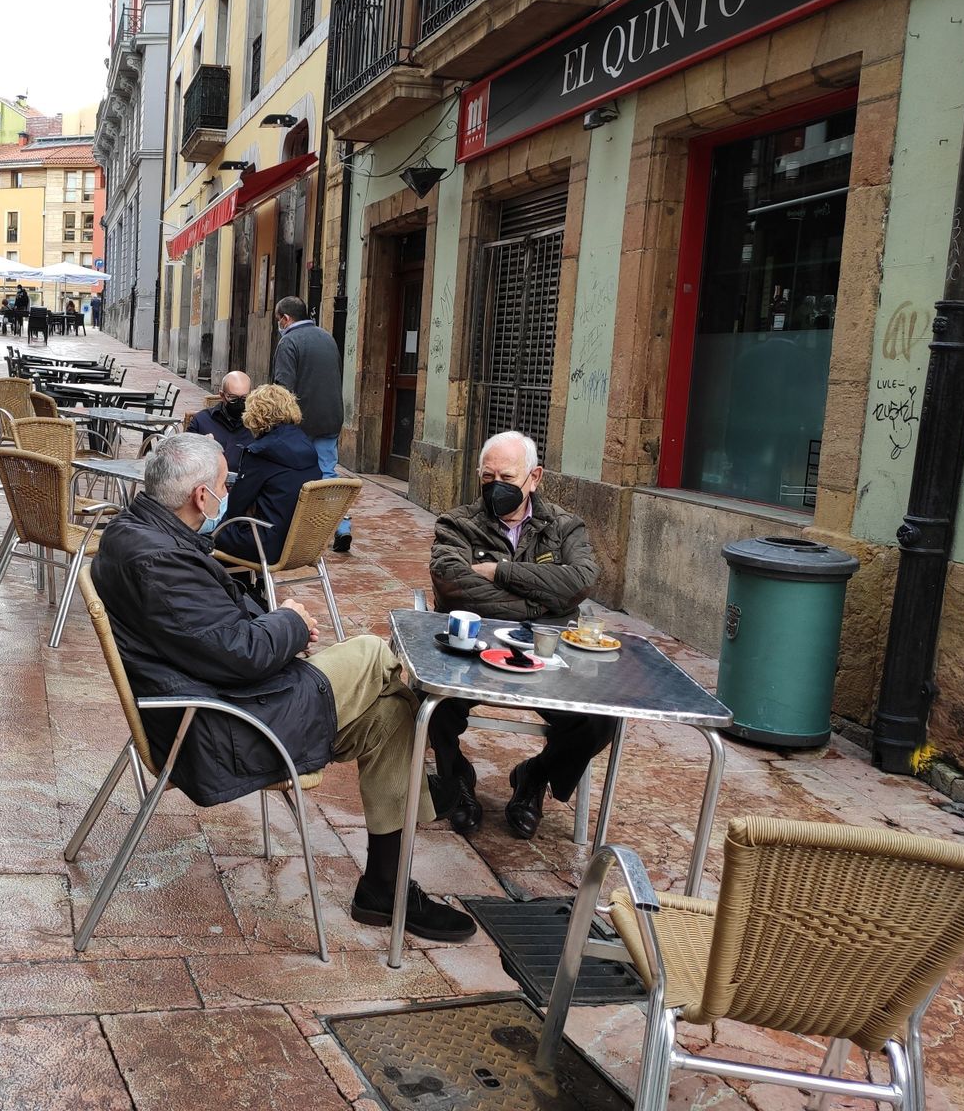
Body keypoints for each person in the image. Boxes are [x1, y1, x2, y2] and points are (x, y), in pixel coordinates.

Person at [91, 434, 477, 943]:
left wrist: (273, 627)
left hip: (221, 702)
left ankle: (385, 886)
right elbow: (241, 654)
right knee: (373, 653)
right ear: (201, 498)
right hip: (221, 726)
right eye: (224, 485)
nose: (228, 493)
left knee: (393, 718)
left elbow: (213, 638)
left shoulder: (136, 532)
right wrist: (289, 621)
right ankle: (447, 769)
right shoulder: (158, 560)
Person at [426, 430, 607, 840]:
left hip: (547, 653)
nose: (496, 487)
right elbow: (452, 583)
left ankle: (533, 776)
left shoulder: (564, 526)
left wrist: (501, 572)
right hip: (472, 653)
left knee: (599, 718)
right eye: (487, 478)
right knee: (429, 697)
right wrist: (543, 602)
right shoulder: (457, 524)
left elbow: (581, 580)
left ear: (534, 477)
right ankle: (457, 781)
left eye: (507, 478)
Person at [212, 384, 322, 566]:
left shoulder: (260, 452)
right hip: (302, 543)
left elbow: (235, 508)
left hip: (267, 545)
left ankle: (231, 589)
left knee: (202, 529)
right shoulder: (305, 443)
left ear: (254, 414)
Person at [273, 296, 349, 553]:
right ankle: (342, 527)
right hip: (330, 417)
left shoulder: (288, 342)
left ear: (285, 318)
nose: (279, 325)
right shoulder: (327, 337)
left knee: (293, 472)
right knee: (327, 473)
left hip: (301, 421)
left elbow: (284, 387)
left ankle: (294, 530)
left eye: (278, 320)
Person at [186, 371, 254, 470]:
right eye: (233, 398)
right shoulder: (202, 421)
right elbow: (185, 457)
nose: (239, 403)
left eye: (244, 398)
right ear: (222, 395)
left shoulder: (258, 424)